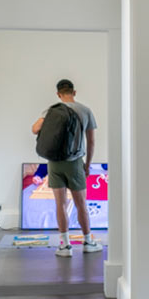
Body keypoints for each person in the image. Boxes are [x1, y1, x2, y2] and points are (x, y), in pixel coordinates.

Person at [30, 79, 103, 257]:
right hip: (75, 162)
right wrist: (87, 165)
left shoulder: (52, 110)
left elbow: (35, 129)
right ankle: (88, 242)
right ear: (74, 92)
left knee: (60, 204)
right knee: (81, 204)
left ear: (58, 94)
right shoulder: (85, 111)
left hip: (54, 162)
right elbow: (91, 142)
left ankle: (64, 246)